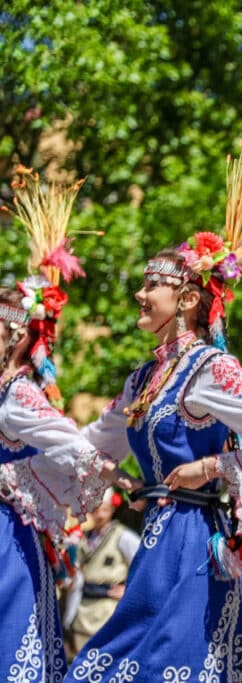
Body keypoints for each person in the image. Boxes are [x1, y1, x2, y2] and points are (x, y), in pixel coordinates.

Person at [66, 136, 242, 682]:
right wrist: (101, 472)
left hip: (195, 543)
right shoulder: (143, 379)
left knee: (165, 665)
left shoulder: (209, 368)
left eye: (152, 286)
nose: (139, 295)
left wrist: (214, 466)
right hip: (158, 538)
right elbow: (92, 441)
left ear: (187, 299)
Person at [0, 166, 124, 681]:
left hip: (6, 537)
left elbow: (71, 443)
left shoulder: (17, 394)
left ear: (16, 337)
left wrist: (115, 475)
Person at [63, 489, 141, 657]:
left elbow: (142, 564)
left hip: (108, 605)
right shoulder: (82, 537)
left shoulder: (123, 536)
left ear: (112, 510)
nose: (99, 514)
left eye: (104, 509)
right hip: (83, 604)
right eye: (96, 509)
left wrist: (129, 589)